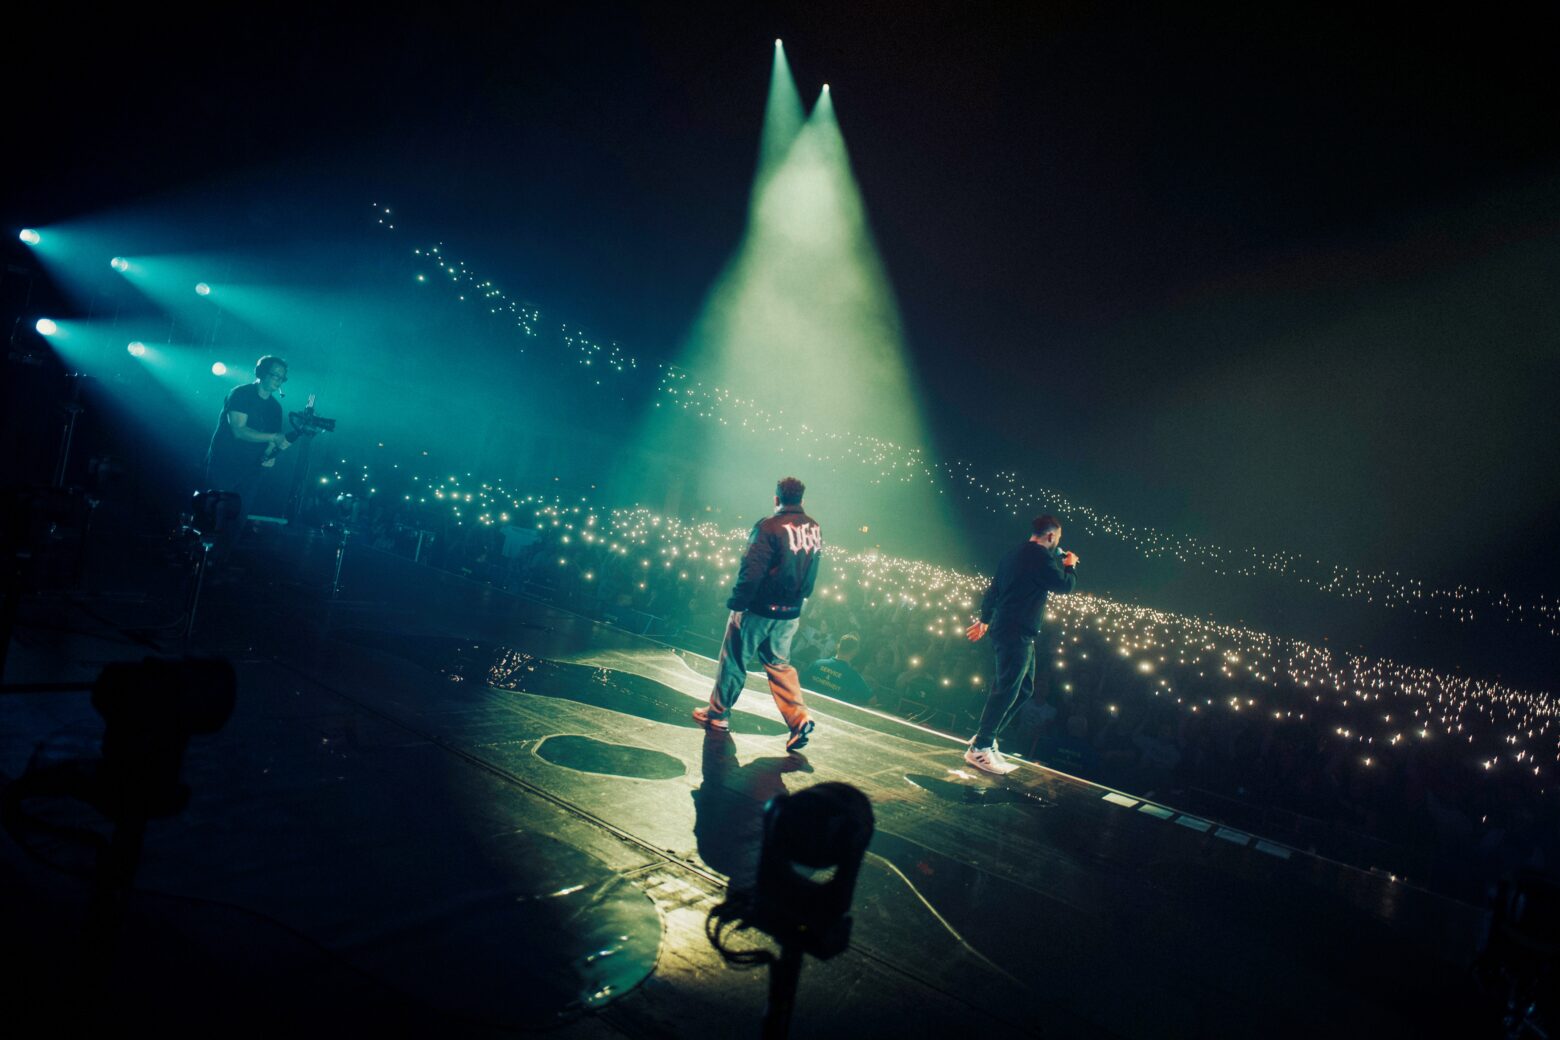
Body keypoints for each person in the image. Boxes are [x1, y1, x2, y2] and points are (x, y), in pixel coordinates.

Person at [694, 476, 821, 753]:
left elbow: (752, 570)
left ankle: (718, 714)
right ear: (802, 499)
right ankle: (799, 719)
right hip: (791, 612)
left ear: (776, 499)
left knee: (734, 660)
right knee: (780, 665)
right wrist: (800, 600)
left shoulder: (768, 526)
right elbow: (813, 568)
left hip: (759, 609)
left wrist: (738, 604)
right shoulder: (814, 527)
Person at [963, 513, 1078, 775]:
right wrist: (1070, 565)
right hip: (1015, 631)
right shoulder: (1040, 557)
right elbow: (1064, 585)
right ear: (1051, 535)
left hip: (1012, 630)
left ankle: (986, 737)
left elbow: (993, 589)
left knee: (1024, 689)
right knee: (1006, 689)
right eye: (1058, 538)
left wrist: (984, 619)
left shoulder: (1013, 555)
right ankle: (980, 746)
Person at [204, 355, 292, 517]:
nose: (279, 380)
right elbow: (239, 430)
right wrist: (274, 437)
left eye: (282, 377)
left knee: (238, 517)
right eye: (275, 375)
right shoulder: (241, 394)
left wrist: (269, 455)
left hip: (252, 469)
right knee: (213, 514)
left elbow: (272, 441)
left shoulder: (276, 408)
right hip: (225, 463)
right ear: (261, 372)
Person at [801, 633, 873, 706]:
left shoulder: (817, 664)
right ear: (854, 652)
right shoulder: (853, 676)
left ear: (838, 646)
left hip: (807, 708)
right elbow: (872, 700)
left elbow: (800, 684)